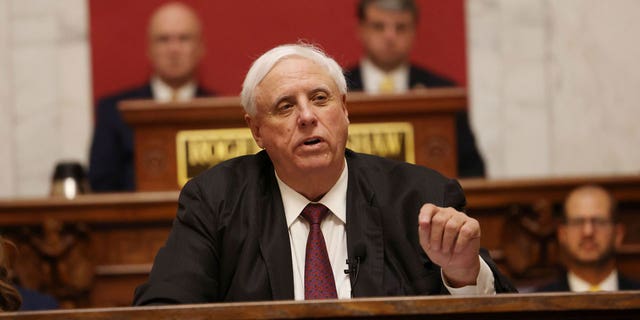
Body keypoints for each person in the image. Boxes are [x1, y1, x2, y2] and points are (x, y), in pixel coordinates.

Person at [133, 43, 516, 305]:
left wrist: (464, 274)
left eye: (320, 98)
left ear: (345, 110)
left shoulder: (419, 197)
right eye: (285, 106)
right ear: (256, 131)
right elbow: (164, 307)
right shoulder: (215, 201)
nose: (307, 116)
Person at [344, 0, 486, 177]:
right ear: (361, 29)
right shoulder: (339, 91)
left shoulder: (441, 94)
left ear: (414, 32)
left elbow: (473, 171)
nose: (390, 36)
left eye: (401, 27)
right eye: (379, 27)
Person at [89, 1, 212, 192]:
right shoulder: (115, 112)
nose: (174, 49)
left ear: (200, 48)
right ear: (149, 49)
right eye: (163, 39)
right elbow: (101, 186)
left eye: (184, 39)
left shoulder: (219, 112)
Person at [536, 185, 640, 292]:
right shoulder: (535, 302)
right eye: (578, 222)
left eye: (599, 222)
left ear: (618, 234)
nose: (588, 232)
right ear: (562, 234)